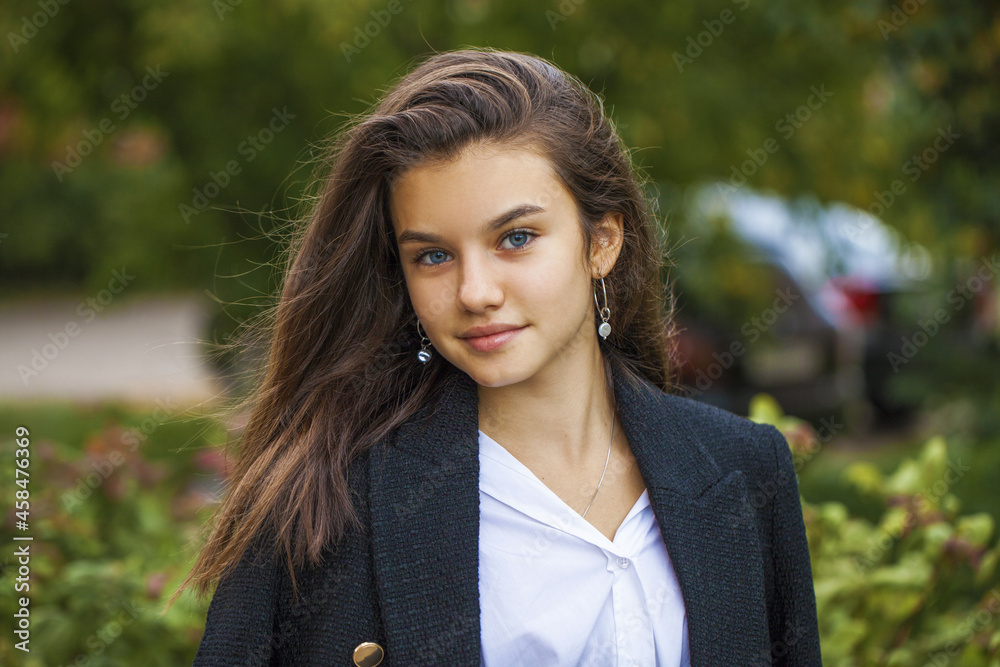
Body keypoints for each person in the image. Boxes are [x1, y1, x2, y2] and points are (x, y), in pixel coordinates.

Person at [171, 47, 822, 666]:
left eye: (515, 237)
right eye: (432, 254)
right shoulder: (319, 502)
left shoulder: (745, 470)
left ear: (602, 241)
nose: (475, 292)